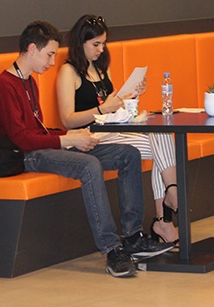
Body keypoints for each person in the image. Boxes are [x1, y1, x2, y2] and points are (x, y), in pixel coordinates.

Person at [0, 21, 172, 278]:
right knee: (89, 165)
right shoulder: (3, 85)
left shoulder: (29, 81)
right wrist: (65, 140)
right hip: (26, 156)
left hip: (44, 146)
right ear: (32, 49)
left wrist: (72, 136)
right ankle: (111, 248)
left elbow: (39, 129)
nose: (52, 62)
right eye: (49, 54)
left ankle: (132, 236)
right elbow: (21, 140)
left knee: (128, 154)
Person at [56, 14, 179, 246]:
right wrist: (101, 109)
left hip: (112, 130)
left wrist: (131, 96)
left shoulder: (102, 69)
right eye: (96, 44)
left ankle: (166, 210)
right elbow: (67, 120)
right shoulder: (68, 72)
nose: (101, 49)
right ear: (80, 42)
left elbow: (113, 108)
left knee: (162, 136)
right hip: (88, 137)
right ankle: (168, 206)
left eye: (103, 44)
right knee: (163, 149)